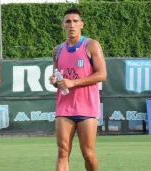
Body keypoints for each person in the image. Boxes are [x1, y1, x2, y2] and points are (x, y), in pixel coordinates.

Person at [49, 8, 107, 171]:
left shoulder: (91, 45)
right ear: (63, 26)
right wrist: (55, 81)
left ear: (82, 24)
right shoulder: (57, 50)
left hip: (87, 108)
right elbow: (57, 75)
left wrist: (73, 83)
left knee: (87, 153)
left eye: (75, 21)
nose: (72, 25)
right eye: (68, 21)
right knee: (62, 152)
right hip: (64, 107)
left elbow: (102, 74)